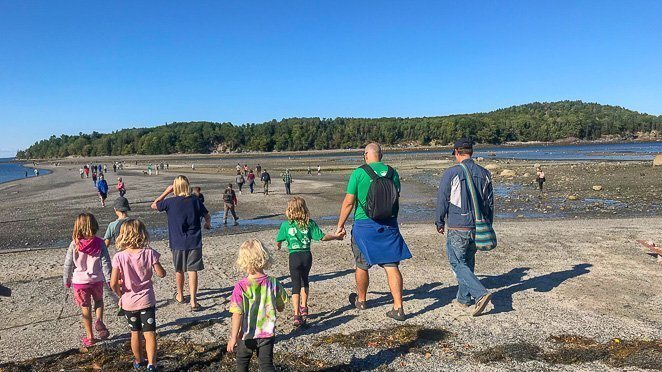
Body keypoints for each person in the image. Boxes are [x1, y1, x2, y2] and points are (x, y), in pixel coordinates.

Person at [336, 143, 411, 321]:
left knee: (361, 264)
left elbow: (348, 203)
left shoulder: (359, 172)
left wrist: (340, 225)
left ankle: (361, 300)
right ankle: (398, 307)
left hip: (364, 225)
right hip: (389, 224)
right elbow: (395, 197)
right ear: (381, 155)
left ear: (365, 155)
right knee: (391, 265)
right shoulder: (393, 172)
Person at [435, 138, 494, 317]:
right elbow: (489, 203)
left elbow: (442, 199)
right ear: (471, 152)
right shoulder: (484, 173)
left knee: (457, 263)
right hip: (478, 224)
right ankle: (463, 298)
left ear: (456, 152)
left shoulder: (451, 173)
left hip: (458, 225)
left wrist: (439, 221)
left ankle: (480, 294)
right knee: (467, 262)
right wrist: (488, 224)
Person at [276, 197, 344, 326]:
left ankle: (296, 315)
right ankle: (304, 307)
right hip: (306, 256)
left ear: (290, 210)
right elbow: (322, 237)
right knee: (304, 281)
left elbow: (278, 240)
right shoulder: (310, 223)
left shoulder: (285, 225)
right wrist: (336, 236)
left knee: (295, 285)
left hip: (294, 257)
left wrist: (279, 245)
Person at [110, 219, 166, 372]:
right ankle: (152, 364)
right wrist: (159, 267)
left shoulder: (119, 257)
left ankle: (138, 360)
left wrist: (120, 294)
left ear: (123, 235)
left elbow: (113, 283)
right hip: (146, 300)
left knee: (134, 333)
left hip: (129, 301)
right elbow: (161, 274)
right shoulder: (149, 253)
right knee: (149, 333)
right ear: (143, 234)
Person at [151, 176, 211, 311]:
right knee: (192, 270)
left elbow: (154, 205)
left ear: (175, 187)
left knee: (179, 270)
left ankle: (180, 295)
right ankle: (194, 301)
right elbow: (207, 214)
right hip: (194, 241)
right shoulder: (195, 200)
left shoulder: (170, 202)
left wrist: (166, 191)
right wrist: (207, 223)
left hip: (177, 242)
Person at [227, 239, 288, 372]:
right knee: (266, 365)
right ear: (264, 257)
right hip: (267, 333)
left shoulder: (241, 286)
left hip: (246, 335)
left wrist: (233, 337)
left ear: (243, 261)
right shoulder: (273, 283)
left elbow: (237, 313)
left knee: (242, 364)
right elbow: (281, 305)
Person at [62, 213, 112, 347]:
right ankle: (99, 320)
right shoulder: (100, 242)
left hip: (80, 282)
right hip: (97, 279)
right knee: (99, 301)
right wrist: (109, 279)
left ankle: (90, 337)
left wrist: (67, 279)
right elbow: (106, 262)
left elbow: (68, 264)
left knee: (85, 308)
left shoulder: (75, 244)